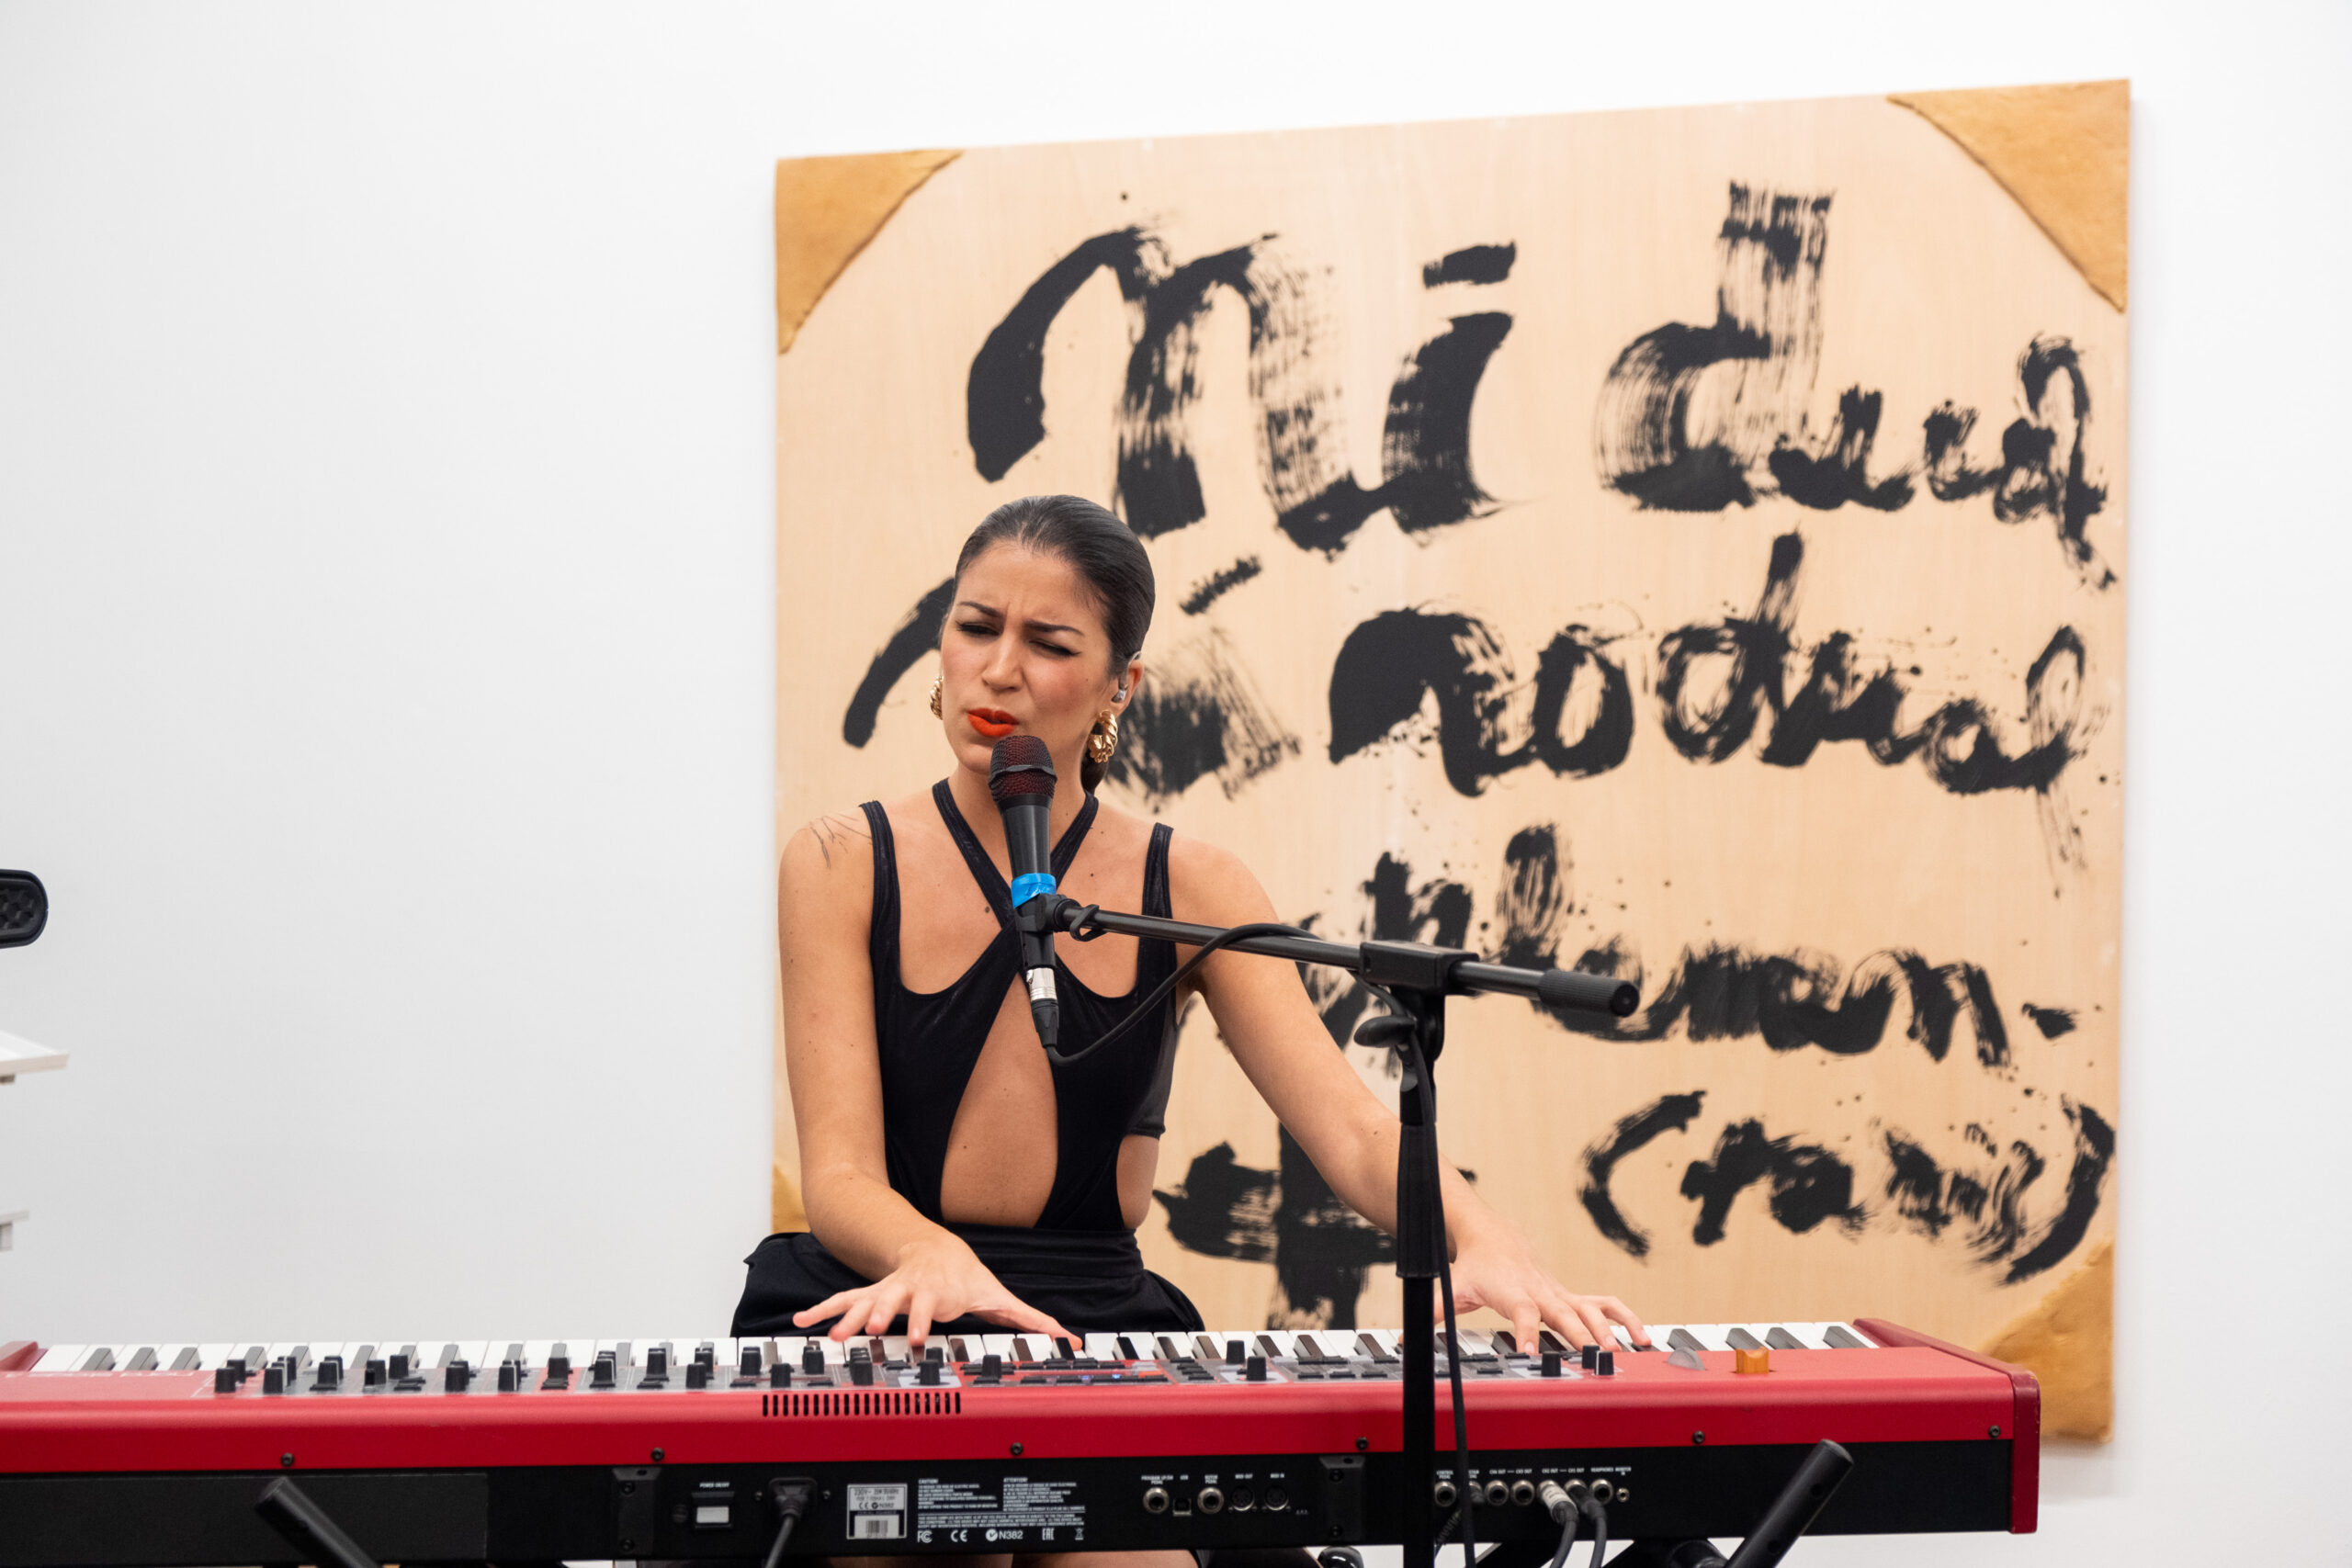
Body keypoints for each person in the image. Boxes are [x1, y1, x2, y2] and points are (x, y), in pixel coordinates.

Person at [736, 493, 1649, 1367]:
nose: (1000, 668)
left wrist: (1484, 1236)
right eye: (976, 627)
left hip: (1093, 1322)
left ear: (1120, 686)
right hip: (884, 1300)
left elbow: (1350, 1131)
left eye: (1049, 643)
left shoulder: (1194, 885)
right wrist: (929, 1255)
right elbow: (841, 1178)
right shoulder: (840, 860)